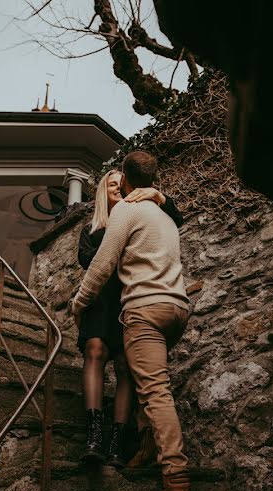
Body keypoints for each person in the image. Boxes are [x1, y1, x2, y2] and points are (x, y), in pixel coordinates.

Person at [71, 151, 195, 491]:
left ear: (124, 178)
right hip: (177, 309)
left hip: (145, 309)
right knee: (137, 375)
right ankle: (141, 445)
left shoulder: (125, 210)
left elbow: (102, 264)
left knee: (156, 393)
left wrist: (79, 303)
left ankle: (176, 490)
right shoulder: (164, 217)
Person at [76, 168, 183, 468]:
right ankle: (95, 434)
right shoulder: (92, 229)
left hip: (129, 298)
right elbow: (88, 261)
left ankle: (117, 441)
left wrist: (159, 196)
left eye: (119, 184)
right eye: (110, 184)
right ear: (102, 191)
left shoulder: (140, 214)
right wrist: (117, 234)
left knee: (125, 366)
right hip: (101, 300)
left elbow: (177, 220)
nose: (116, 187)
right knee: (94, 351)